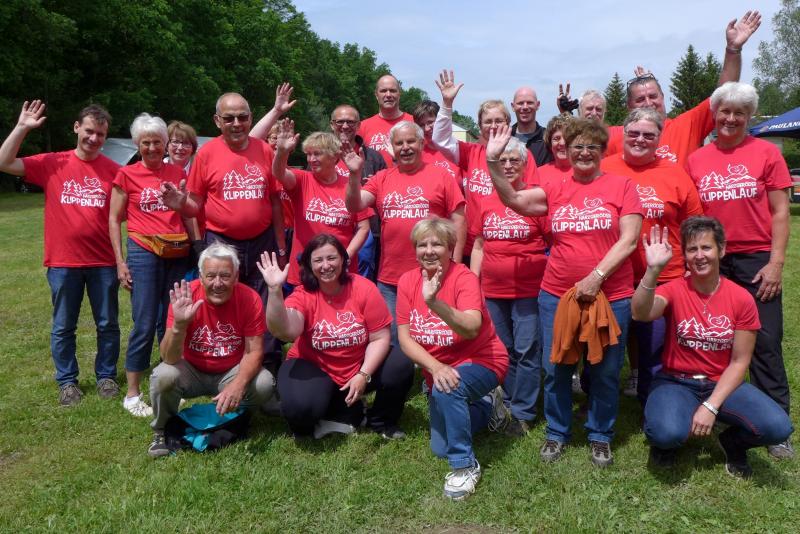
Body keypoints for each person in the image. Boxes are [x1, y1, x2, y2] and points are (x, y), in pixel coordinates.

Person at [486, 120, 643, 467]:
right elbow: (513, 199)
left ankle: (600, 434)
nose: (584, 153)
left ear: (602, 151)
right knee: (556, 366)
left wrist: (596, 277)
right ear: (567, 151)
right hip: (557, 294)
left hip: (612, 294)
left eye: (592, 147)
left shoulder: (622, 186)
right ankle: (557, 431)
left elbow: (629, 239)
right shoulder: (554, 187)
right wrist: (493, 162)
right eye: (577, 147)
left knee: (605, 369)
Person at [632, 218, 793, 477]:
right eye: (692, 249)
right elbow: (640, 313)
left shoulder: (741, 298)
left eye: (706, 247)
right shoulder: (674, 289)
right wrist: (652, 271)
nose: (699, 256)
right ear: (684, 255)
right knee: (665, 432)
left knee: (778, 427)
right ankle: (667, 444)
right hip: (676, 381)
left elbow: (740, 362)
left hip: (721, 382)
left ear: (722, 249)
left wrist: (711, 406)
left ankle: (732, 442)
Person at [686, 81, 794, 459]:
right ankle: (719, 409)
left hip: (755, 258)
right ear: (714, 115)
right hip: (712, 259)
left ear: (749, 117)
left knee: (764, 340)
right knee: (715, 337)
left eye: (740, 113)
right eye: (725, 111)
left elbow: (780, 211)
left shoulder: (766, 153)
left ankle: (775, 423)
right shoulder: (697, 159)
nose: (731, 118)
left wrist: (775, 263)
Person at [0, 101, 121, 405]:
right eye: (89, 131)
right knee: (64, 326)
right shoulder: (53, 163)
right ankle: (67, 382)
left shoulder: (114, 172)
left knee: (107, 324)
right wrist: (22, 127)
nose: (93, 138)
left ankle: (106, 376)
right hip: (63, 261)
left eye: (100, 134)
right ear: (76, 127)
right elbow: (4, 161)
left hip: (103, 262)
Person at [160, 92, 287, 368]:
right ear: (217, 121)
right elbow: (195, 204)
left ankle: (268, 365)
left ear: (251, 118)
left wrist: (280, 245)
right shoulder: (206, 154)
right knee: (224, 299)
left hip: (262, 239)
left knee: (267, 299)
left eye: (242, 117)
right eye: (229, 118)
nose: (237, 123)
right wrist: (181, 204)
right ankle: (227, 362)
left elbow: (275, 201)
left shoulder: (265, 150)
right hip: (221, 242)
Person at [396, 217, 509, 500]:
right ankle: (487, 407)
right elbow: (405, 339)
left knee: (449, 389)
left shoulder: (464, 278)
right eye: (422, 245)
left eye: (437, 244)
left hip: (483, 359)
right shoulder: (407, 281)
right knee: (439, 447)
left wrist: (434, 303)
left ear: (450, 248)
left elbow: (471, 328)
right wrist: (435, 367)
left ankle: (464, 466)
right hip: (440, 368)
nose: (429, 251)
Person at [260, 235, 413, 439]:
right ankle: (343, 410)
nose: (326, 266)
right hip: (314, 366)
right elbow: (285, 332)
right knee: (300, 414)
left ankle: (381, 421)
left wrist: (363, 375)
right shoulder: (303, 294)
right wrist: (274, 290)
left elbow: (380, 338)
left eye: (331, 258)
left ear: (343, 259)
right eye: (318, 260)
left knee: (400, 363)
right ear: (309, 265)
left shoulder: (364, 288)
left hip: (356, 365)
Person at [602, 108, 703, 403]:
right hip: (613, 275)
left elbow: (694, 225)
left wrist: (692, 263)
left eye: (648, 135)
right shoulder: (604, 168)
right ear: (623, 134)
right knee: (605, 346)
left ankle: (654, 405)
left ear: (659, 138)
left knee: (656, 348)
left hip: (663, 277)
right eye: (633, 133)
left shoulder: (675, 174)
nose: (640, 140)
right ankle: (598, 405)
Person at [344, 120, 466, 347]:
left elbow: (459, 220)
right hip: (391, 279)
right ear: (392, 147)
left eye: (411, 141)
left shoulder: (441, 176)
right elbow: (354, 205)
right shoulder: (382, 178)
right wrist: (354, 175)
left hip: (434, 274)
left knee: (435, 337)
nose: (405, 147)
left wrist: (455, 264)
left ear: (421, 143)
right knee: (394, 341)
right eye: (399, 143)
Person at [147, 242, 275, 457]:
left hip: (230, 369)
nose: (218, 283)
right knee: (163, 376)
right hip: (191, 369)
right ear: (200, 276)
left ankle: (238, 417)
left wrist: (238, 385)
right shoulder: (185, 297)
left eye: (225, 276)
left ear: (236, 277)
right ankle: (162, 429)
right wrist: (179, 326)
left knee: (264, 383)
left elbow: (254, 351)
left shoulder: (249, 298)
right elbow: (168, 357)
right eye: (211, 276)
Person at [110, 113, 191, 416]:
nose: (152, 148)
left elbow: (186, 211)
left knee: (172, 321)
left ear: (165, 143)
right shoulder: (126, 175)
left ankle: (169, 386)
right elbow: (114, 219)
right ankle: (132, 393)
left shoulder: (177, 171)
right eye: (146, 143)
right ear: (137, 144)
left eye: (157, 142)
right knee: (144, 322)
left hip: (175, 250)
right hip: (143, 250)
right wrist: (120, 262)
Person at [605, 11, 762, 165]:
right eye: (640, 99)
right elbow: (590, 131)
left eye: (653, 96)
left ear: (662, 97)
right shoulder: (616, 135)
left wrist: (733, 50)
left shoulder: (686, 126)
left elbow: (724, 93)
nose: (648, 103)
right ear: (629, 106)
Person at [470, 136, 548, 436]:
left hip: (529, 289)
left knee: (527, 350)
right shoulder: (485, 200)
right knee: (504, 348)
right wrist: (473, 283)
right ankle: (511, 400)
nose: (508, 165)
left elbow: (552, 242)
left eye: (514, 160)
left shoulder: (533, 198)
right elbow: (479, 244)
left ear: (525, 165)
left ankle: (524, 412)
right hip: (493, 289)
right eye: (502, 160)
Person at [432, 70, 539, 259]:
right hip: (473, 244)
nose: (493, 126)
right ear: (480, 126)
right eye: (488, 121)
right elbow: (441, 140)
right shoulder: (471, 153)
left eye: (499, 121)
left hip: (506, 240)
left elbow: (530, 198)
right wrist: (447, 104)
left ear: (508, 123)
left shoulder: (522, 155)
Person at [271, 122, 371, 287]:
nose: (311, 159)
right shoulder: (302, 180)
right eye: (308, 154)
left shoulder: (351, 186)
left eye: (317, 154)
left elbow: (363, 227)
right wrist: (282, 151)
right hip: (305, 269)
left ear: (334, 156)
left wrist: (345, 257)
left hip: (339, 271)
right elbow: (279, 173)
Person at [329, 104, 387, 281]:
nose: (345, 126)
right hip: (332, 228)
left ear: (359, 125)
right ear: (332, 125)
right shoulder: (321, 155)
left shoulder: (374, 158)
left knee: (361, 282)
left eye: (350, 122)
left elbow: (386, 196)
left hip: (368, 232)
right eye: (340, 122)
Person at [165, 121, 204, 279]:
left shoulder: (200, 171)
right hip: (165, 238)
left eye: (186, 143)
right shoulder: (157, 169)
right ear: (167, 145)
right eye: (175, 142)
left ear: (193, 148)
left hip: (198, 237)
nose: (180, 148)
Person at [358, 74, 414, 166]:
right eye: (383, 91)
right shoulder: (362, 127)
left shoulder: (414, 123)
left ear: (399, 94)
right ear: (376, 95)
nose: (388, 95)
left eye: (393, 91)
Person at [411, 100, 462, 185]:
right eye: (421, 125)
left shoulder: (459, 150)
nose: (426, 129)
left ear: (440, 121)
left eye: (430, 122)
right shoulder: (417, 154)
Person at [510, 86, 552, 166]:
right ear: (513, 106)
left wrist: (566, 112)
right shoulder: (505, 138)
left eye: (530, 103)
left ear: (537, 105)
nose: (525, 107)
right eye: (520, 103)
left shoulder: (548, 138)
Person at [538, 114, 575, 188]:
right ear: (550, 143)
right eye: (557, 138)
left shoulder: (589, 170)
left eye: (567, 138)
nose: (562, 143)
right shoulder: (538, 174)